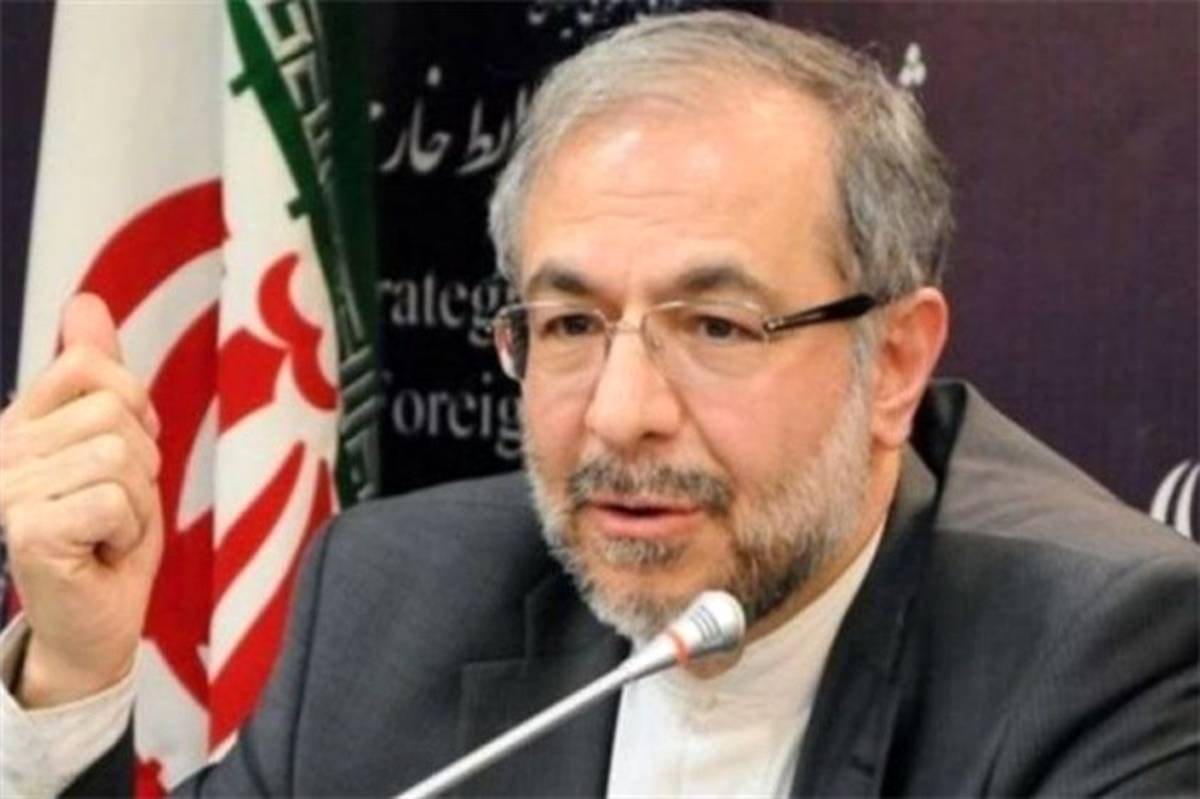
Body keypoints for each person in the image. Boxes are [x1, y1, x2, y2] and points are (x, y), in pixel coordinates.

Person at [2, 10, 1197, 797]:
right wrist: (77, 665)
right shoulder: (391, 596)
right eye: (572, 324)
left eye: (716, 326)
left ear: (891, 363)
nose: (622, 414)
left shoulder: (1100, 653)